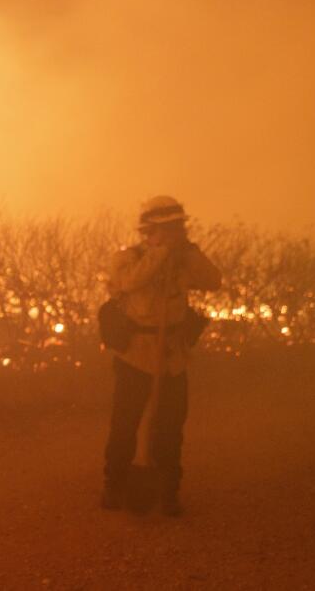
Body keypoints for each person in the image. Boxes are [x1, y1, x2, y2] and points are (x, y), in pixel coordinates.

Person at [101, 195, 221, 516]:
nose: (174, 233)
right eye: (167, 228)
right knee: (125, 425)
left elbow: (213, 281)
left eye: (177, 227)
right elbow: (128, 282)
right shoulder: (127, 259)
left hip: (172, 358)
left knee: (170, 427)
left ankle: (168, 490)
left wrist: (188, 252)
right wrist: (160, 254)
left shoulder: (184, 259)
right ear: (149, 231)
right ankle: (115, 484)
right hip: (135, 357)